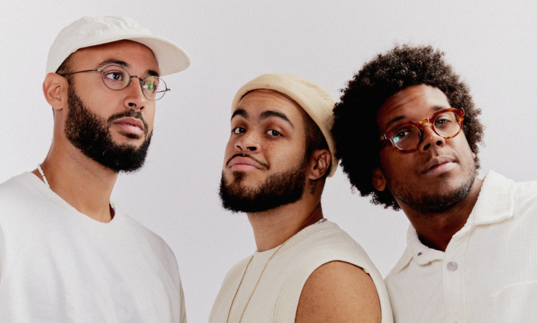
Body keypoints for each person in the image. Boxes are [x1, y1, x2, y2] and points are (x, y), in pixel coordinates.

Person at [0, 16, 190, 322]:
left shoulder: (159, 258)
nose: (138, 98)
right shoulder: (6, 226)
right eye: (115, 75)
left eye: (150, 83)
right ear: (56, 91)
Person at [332, 44, 537, 323]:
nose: (433, 138)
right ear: (376, 173)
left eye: (442, 120)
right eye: (403, 133)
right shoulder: (391, 298)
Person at [209, 73, 393, 323]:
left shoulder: (331, 275)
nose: (245, 142)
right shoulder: (237, 276)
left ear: (318, 164)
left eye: (273, 131)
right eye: (239, 128)